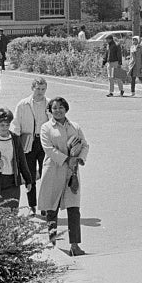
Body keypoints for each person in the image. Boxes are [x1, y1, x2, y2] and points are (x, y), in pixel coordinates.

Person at [39, 97, 89, 254]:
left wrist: (79, 158)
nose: (58, 110)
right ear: (50, 110)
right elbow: (48, 149)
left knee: (73, 208)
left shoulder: (75, 126)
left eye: (61, 107)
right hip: (54, 170)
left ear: (66, 109)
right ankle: (52, 242)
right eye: (54, 108)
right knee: (51, 208)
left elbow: (85, 145)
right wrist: (67, 159)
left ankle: (75, 245)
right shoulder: (46, 128)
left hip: (72, 172)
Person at [0, 106, 33, 210]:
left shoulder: (15, 139)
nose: (5, 127)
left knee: (11, 215)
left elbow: (22, 161)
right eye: (2, 125)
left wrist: (28, 180)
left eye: (7, 124)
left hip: (12, 182)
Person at [11, 76, 49, 216]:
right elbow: (16, 124)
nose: (40, 92)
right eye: (38, 89)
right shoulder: (23, 104)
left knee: (46, 174)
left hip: (44, 142)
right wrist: (16, 142)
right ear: (32, 88)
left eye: (43, 89)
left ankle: (44, 204)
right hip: (28, 141)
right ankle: (32, 204)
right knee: (30, 175)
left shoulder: (49, 104)